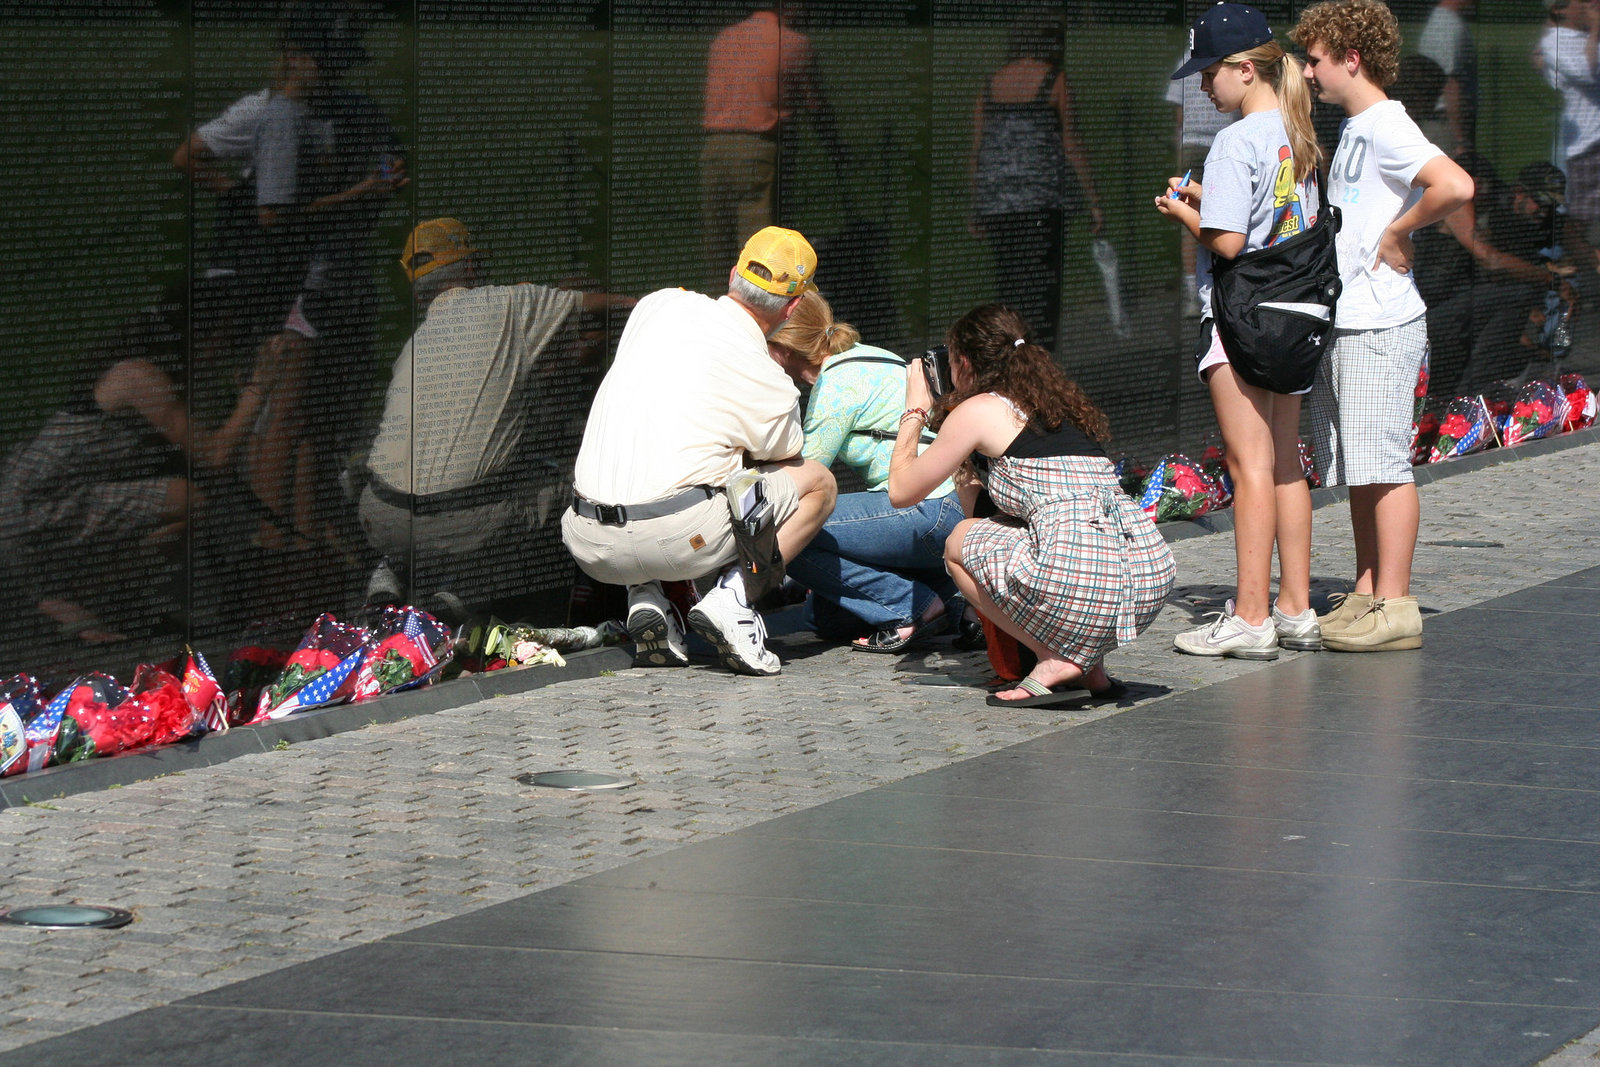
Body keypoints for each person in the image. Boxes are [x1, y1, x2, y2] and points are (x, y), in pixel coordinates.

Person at [562, 226, 837, 677]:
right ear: (793, 306)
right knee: (816, 483)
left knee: (653, 448)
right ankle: (734, 600)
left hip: (585, 538)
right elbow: (778, 458)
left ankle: (647, 598)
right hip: (676, 538)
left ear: (733, 274)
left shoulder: (658, 303)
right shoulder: (767, 379)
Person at [1292, 0, 1475, 652]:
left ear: (1351, 57)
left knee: (1386, 466)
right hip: (1352, 318)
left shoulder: (1387, 123)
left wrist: (1400, 230)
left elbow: (1453, 184)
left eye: (1315, 59)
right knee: (1362, 466)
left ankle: (1396, 602)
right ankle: (1370, 589)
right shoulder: (1358, 126)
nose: (1308, 72)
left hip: (1378, 323)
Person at [885, 305, 1175, 708]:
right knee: (993, 531)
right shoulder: (1057, 405)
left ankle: (1053, 658)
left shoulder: (981, 408)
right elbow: (985, 512)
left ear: (964, 363)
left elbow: (900, 490)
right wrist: (963, 458)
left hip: (1089, 580)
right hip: (1145, 576)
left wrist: (915, 410)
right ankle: (1091, 669)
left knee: (958, 543)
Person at [360, 219, 635, 621]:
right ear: (471, 270)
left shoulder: (415, 343)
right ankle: (468, 600)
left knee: (453, 497)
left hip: (379, 512)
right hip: (460, 520)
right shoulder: (508, 304)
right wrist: (658, 307)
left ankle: (391, 570)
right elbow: (602, 304)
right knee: (578, 491)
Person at [1155, 3, 1322, 660]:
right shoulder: (1295, 130)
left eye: (1208, 74)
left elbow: (1227, 243)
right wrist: (1208, 202)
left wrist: (1182, 210)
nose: (1202, 87)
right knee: (1284, 462)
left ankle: (1250, 614)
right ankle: (1295, 607)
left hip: (1241, 316)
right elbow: (1276, 222)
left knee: (1247, 464)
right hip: (1296, 312)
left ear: (1244, 69)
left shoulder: (1232, 141)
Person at [0, 300, 272, 643]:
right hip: (37, 502)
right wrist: (259, 387)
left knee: (182, 507)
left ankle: (87, 604)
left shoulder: (152, 372)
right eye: (227, 335)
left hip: (41, 498)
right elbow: (214, 453)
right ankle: (93, 600)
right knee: (185, 499)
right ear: (197, 334)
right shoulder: (137, 376)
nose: (232, 344)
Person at [767, 291, 972, 652]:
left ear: (782, 349)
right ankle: (951, 599)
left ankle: (917, 609)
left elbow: (803, 478)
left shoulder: (835, 386)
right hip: (955, 505)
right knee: (824, 618)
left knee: (785, 530)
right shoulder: (871, 355)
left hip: (927, 509)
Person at [971, 14, 1103, 352]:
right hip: (1042, 200)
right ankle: (1039, 361)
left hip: (997, 202)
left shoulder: (991, 82)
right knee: (1043, 290)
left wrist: (977, 205)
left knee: (1009, 285)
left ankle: (1010, 357)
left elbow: (978, 147)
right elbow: (1071, 143)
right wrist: (1091, 199)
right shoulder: (1054, 79)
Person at [700, 3, 839, 288]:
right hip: (758, 152)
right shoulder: (793, 43)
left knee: (718, 246)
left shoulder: (724, 39)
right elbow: (816, 107)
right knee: (759, 255)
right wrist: (838, 150)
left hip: (714, 151)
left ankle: (719, 306)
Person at [1166, 46, 1241, 316]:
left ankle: (1200, 290)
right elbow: (1179, 116)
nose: (1204, 87)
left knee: (1217, 216)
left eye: (1210, 76)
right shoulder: (1187, 59)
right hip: (1198, 142)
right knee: (1191, 211)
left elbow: (1178, 118)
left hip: (1214, 143)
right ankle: (1193, 291)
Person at [1538, 0, 1600, 269]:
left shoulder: (1585, 38)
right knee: (1582, 228)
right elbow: (1588, 72)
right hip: (1587, 149)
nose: (1594, 5)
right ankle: (1588, 287)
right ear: (1561, 9)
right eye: (1584, 1)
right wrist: (1597, 27)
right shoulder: (1555, 42)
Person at [1417, 0, 1478, 155]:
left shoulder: (1442, 20)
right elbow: (1451, 84)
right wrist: (1460, 140)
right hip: (1446, 124)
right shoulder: (1447, 26)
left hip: (1442, 120)